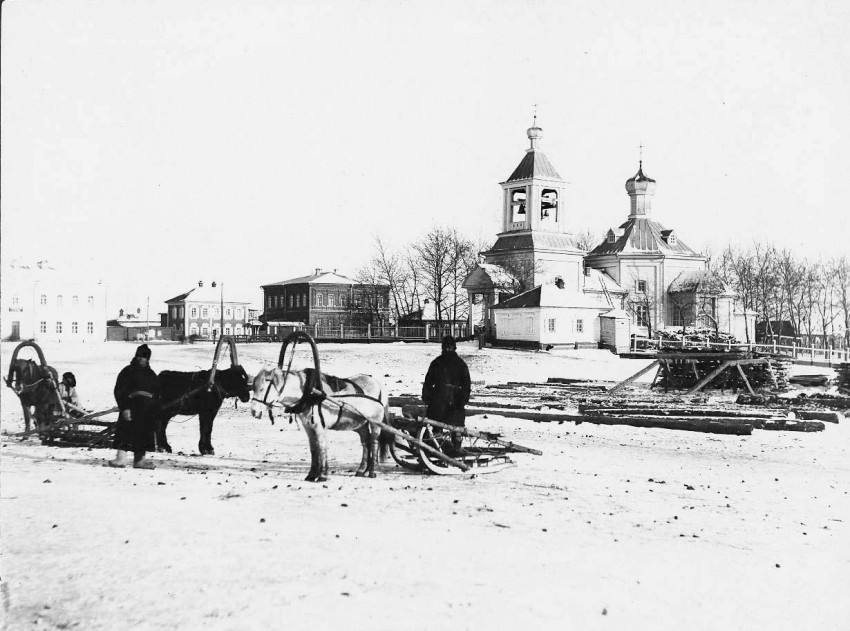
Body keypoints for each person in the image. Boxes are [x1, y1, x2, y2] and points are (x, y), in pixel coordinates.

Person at [109, 344, 161, 469]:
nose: (140, 359)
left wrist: (154, 408)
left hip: (146, 410)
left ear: (147, 359)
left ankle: (139, 461)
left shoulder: (151, 374)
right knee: (125, 432)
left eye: (143, 357)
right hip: (130, 407)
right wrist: (124, 408)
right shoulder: (127, 372)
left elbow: (157, 393)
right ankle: (120, 459)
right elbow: (119, 390)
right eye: (138, 356)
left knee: (143, 434)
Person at [421, 335, 471, 454]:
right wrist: (427, 397)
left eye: (450, 348)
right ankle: (437, 447)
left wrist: (463, 398)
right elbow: (428, 382)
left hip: (455, 400)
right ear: (443, 348)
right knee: (436, 425)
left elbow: (466, 384)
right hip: (439, 399)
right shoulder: (437, 363)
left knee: (456, 427)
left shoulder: (460, 364)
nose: (448, 350)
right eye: (446, 348)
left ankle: (456, 448)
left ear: (454, 348)